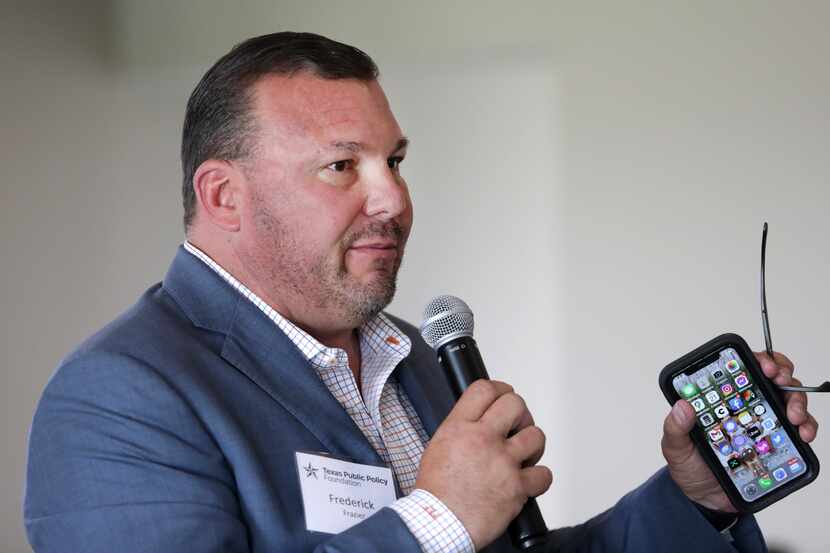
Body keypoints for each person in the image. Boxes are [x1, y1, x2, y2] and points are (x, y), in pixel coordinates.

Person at [24, 32, 817, 553]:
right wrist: (437, 520)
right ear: (225, 195)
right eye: (344, 166)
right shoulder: (115, 396)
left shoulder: (416, 353)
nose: (393, 201)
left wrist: (697, 494)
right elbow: (447, 528)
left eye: (395, 162)